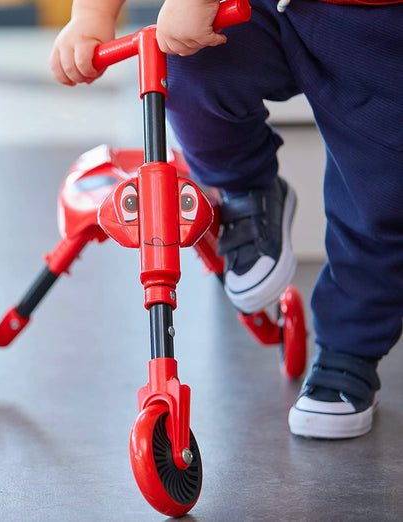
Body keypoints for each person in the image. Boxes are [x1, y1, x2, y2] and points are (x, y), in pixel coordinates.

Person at [50, 0, 403, 439]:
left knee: (381, 193)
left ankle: (349, 348)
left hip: (376, 21)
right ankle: (245, 191)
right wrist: (92, 17)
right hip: (264, 9)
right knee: (189, 61)